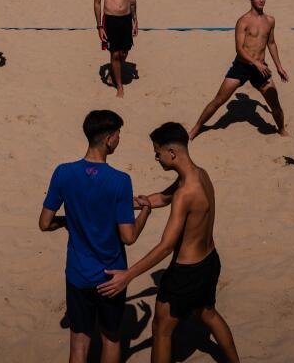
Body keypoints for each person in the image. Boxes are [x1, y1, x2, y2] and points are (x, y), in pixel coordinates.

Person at [97, 123, 240, 363]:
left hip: (186, 273)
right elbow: (162, 198)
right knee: (208, 313)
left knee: (161, 329)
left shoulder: (185, 193)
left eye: (157, 153)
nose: (156, 158)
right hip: (209, 261)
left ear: (171, 152)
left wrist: (128, 275)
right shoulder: (199, 175)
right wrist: (126, 203)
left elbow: (166, 246)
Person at [40, 110, 151, 363]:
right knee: (111, 339)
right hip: (112, 277)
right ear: (109, 138)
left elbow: (45, 223)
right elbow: (129, 236)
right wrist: (145, 211)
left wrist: (72, 220)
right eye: (119, 135)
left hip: (78, 274)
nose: (119, 140)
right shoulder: (120, 181)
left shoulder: (63, 172)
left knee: (79, 343)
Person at [190, 0, 289, 138]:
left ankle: (282, 130)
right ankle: (196, 128)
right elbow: (239, 49)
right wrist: (255, 62)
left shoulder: (270, 20)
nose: (261, 0)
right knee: (218, 100)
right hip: (242, 66)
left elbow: (271, 43)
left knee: (275, 105)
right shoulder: (243, 21)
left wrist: (279, 67)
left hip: (261, 68)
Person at [94, 0, 137, 98]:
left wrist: (135, 20)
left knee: (125, 51)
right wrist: (99, 26)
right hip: (110, 19)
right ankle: (119, 86)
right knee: (115, 54)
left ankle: (113, 72)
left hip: (126, 18)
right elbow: (97, 3)